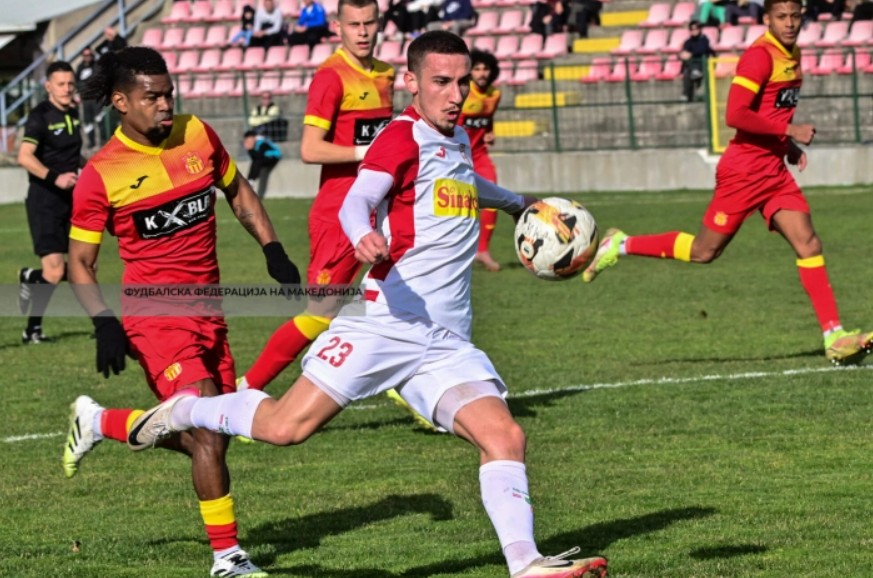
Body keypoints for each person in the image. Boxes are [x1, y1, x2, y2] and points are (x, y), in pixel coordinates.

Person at [126, 30, 609, 578]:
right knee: (285, 428)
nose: (456, 95)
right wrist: (362, 235)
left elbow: (463, 182)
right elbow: (357, 200)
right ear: (412, 82)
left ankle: (525, 564)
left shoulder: (455, 137)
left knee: (505, 435)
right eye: (441, 82)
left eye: (462, 82)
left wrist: (519, 203)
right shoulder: (400, 138)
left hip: (445, 341)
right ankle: (184, 411)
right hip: (384, 324)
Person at [62, 46, 300, 577]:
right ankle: (227, 558)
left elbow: (238, 191)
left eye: (169, 94)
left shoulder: (197, 134)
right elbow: (80, 261)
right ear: (121, 102)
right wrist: (104, 322)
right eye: (152, 97)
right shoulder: (102, 173)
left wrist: (273, 249)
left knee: (209, 436)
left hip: (209, 312)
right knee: (209, 427)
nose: (166, 104)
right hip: (156, 318)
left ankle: (99, 421)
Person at [582, 0, 873, 366]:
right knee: (705, 251)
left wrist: (786, 146)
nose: (789, 23)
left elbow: (770, 109)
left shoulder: (794, 54)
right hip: (743, 172)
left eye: (795, 16)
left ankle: (834, 336)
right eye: (781, 17)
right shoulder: (759, 57)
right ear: (766, 19)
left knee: (808, 242)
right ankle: (622, 244)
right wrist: (789, 130)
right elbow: (735, 113)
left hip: (773, 171)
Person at [235, 0, 393, 396]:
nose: (362, 32)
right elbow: (310, 149)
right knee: (321, 314)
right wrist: (369, 152)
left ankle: (412, 390)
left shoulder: (386, 74)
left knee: (394, 305)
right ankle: (244, 390)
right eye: (353, 24)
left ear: (380, 24)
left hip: (380, 209)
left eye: (369, 23)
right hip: (338, 214)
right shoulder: (330, 77)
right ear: (337, 26)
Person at [17, 60, 84, 344]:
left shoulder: (74, 113)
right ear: (48, 87)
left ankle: (32, 278)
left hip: (71, 200)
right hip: (45, 201)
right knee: (56, 271)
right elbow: (24, 156)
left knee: (83, 268)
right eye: (61, 84)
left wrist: (90, 168)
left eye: (71, 83)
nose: (67, 89)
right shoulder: (39, 116)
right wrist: (55, 178)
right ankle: (32, 330)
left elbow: (72, 155)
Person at [458, 49, 502, 272]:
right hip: (458, 156)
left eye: (486, 69)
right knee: (456, 206)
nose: (482, 73)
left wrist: (489, 133)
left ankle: (483, 250)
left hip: (480, 155)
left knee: (493, 198)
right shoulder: (463, 93)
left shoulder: (495, 94)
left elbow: (488, 121)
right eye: (477, 69)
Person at [679, 20, 716, 103]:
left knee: (690, 67)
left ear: (700, 29)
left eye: (696, 28)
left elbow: (702, 50)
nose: (694, 31)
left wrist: (691, 54)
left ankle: (686, 94)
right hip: (691, 66)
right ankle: (686, 95)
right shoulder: (688, 42)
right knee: (686, 72)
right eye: (692, 29)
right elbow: (684, 54)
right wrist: (682, 55)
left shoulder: (704, 39)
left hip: (702, 65)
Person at [244, 129, 282, 198]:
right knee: (255, 162)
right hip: (266, 157)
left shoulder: (262, 143)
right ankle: (250, 180)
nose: (247, 142)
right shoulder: (257, 143)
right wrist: (249, 150)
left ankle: (251, 181)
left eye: (248, 140)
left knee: (257, 162)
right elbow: (255, 158)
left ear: (253, 138)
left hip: (273, 157)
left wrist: (250, 150)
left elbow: (259, 156)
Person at [75, 48, 98, 148]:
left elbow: (97, 80)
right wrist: (79, 92)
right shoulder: (80, 67)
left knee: (100, 119)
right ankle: (91, 142)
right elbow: (77, 82)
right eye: (85, 55)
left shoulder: (96, 65)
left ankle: (104, 141)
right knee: (88, 122)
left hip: (96, 98)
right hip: (85, 99)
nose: (87, 57)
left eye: (89, 55)